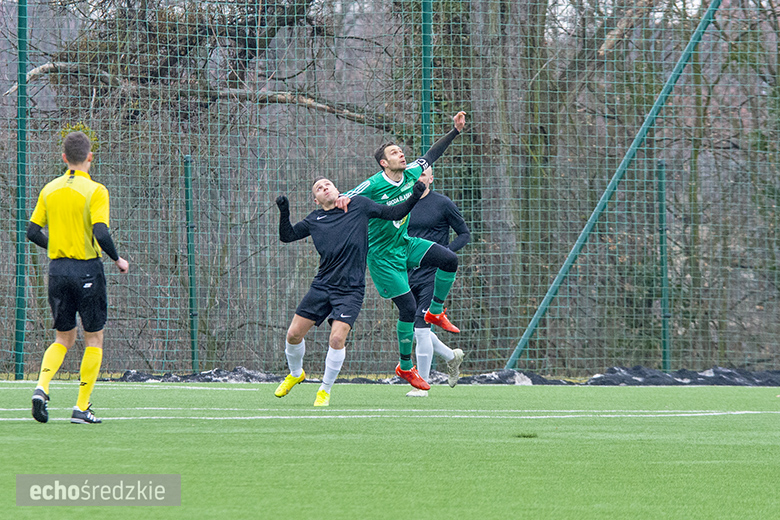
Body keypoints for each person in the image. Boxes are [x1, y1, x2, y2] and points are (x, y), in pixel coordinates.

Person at [336, 111, 466, 391]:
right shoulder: (373, 184)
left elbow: (432, 153)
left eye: (401, 151)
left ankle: (436, 312)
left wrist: (455, 131)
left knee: (449, 259)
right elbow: (348, 198)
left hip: (404, 243)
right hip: (383, 257)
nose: (402, 155)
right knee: (407, 310)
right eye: (395, 153)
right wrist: (341, 199)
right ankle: (405, 367)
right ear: (384, 162)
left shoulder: (411, 174)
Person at [274, 177, 426, 407]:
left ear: (337, 189)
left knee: (336, 338)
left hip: (351, 289)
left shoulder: (360, 206)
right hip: (322, 286)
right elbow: (287, 236)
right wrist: (284, 211)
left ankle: (324, 391)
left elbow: (394, 213)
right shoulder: (315, 219)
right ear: (316, 199)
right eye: (319, 188)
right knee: (293, 335)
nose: (325, 188)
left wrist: (414, 196)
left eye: (328, 185)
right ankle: (296, 374)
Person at [27, 131, 130, 424]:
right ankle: (81, 407)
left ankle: (41, 388)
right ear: (89, 157)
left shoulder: (49, 189)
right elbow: (101, 232)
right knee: (94, 339)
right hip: (86, 270)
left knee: (63, 338)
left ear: (63, 158)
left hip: (57, 271)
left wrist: (58, 244)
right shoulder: (96, 191)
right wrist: (118, 260)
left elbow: (32, 232)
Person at [405, 167, 471, 397]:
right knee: (413, 329)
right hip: (405, 274)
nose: (419, 178)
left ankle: (422, 385)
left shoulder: (442, 203)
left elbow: (464, 234)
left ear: (431, 178)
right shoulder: (402, 204)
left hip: (433, 274)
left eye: (424, 174)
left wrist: (443, 253)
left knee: (422, 329)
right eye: (415, 174)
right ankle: (451, 356)